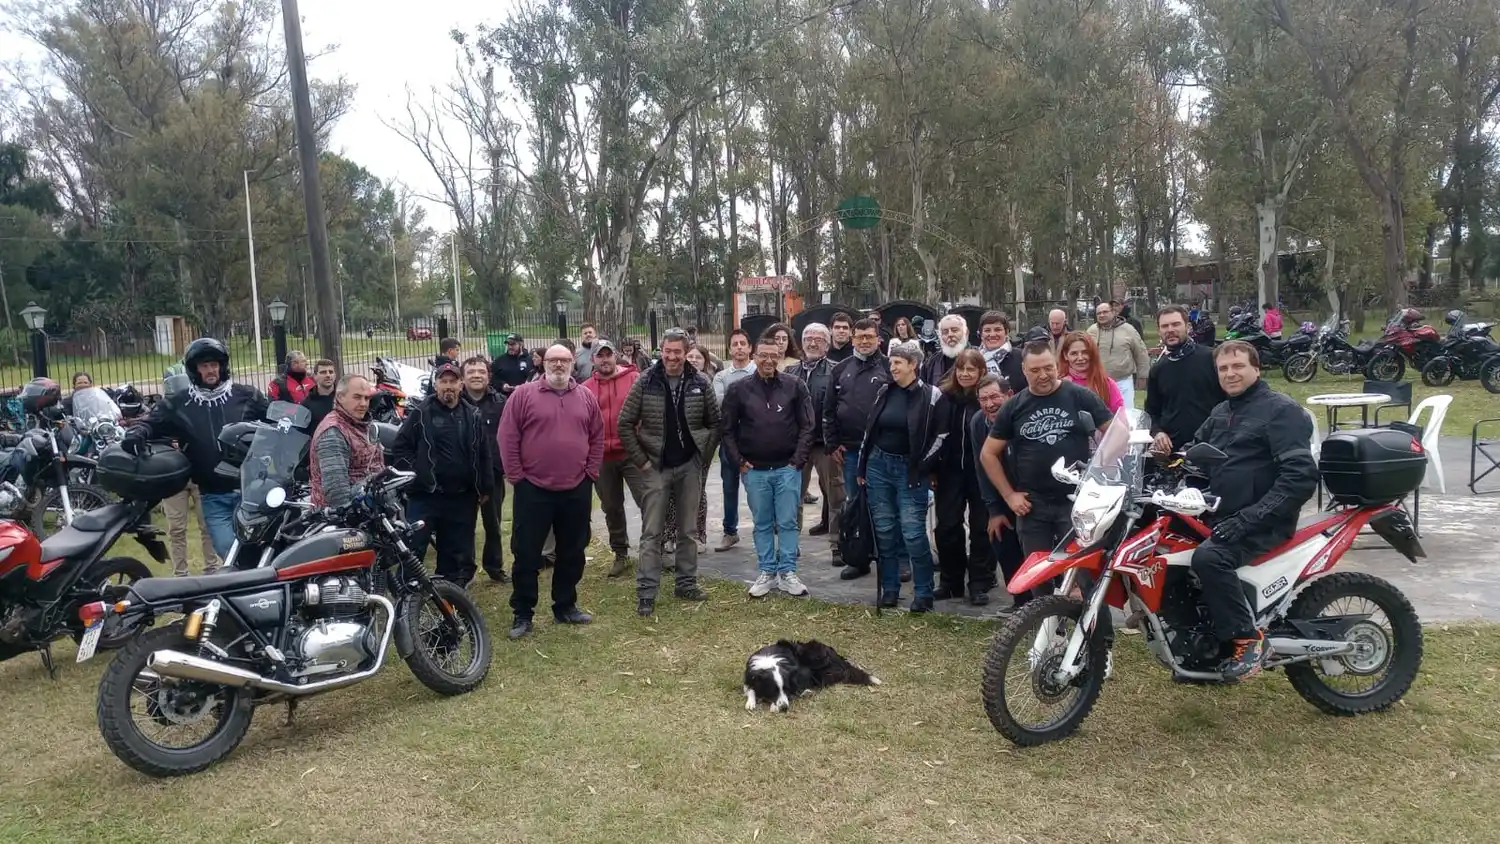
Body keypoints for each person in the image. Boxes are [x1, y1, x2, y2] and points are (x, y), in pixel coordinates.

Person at [1190, 340, 1319, 680]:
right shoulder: (1223, 412)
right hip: (1221, 513)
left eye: (1238, 367)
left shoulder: (1281, 411)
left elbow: (1300, 478)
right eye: (1223, 369)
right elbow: (1193, 454)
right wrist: (1159, 462)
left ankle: (1247, 638)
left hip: (1263, 520)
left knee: (1209, 558)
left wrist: (1248, 518)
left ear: (1256, 369)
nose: (1230, 374)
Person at [980, 342, 1112, 593]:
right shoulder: (1014, 405)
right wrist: (1009, 495)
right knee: (1038, 577)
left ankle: (1098, 633)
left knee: (1086, 577)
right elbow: (988, 453)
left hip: (1077, 502)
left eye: (1049, 368)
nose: (1043, 375)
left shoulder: (1079, 395)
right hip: (1032, 505)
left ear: (1057, 365)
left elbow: (1116, 433)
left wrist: (1103, 475)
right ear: (1024, 370)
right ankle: (1047, 630)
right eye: (1035, 370)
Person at [122, 338, 267, 560]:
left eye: (214, 364)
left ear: (222, 366)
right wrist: (137, 431)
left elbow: (276, 418)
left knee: (262, 551)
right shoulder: (179, 403)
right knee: (229, 552)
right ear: (194, 369)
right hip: (213, 496)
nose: (211, 370)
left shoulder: (246, 395)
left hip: (252, 493)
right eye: (204, 365)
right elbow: (151, 421)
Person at [499, 344, 603, 639]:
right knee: (527, 553)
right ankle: (523, 612)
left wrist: (590, 473)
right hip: (534, 489)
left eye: (565, 361)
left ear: (573, 363)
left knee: (572, 550)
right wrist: (518, 476)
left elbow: (597, 436)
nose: (559, 365)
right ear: (543, 364)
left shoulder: (585, 396)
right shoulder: (523, 395)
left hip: (576, 488)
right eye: (553, 360)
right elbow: (507, 436)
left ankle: (565, 605)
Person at [618, 328, 721, 616]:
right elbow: (625, 423)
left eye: (678, 351)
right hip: (655, 466)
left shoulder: (700, 381)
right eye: (668, 351)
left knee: (688, 531)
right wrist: (642, 461)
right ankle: (647, 592)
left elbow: (715, 423)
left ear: (687, 352)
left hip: (689, 466)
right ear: (661, 350)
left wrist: (703, 459)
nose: (672, 356)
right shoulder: (645, 382)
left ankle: (686, 583)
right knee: (652, 532)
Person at [720, 335, 814, 598]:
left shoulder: (795, 386)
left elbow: (808, 425)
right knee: (761, 523)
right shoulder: (738, 390)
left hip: (787, 469)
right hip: (755, 470)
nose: (769, 360)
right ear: (754, 356)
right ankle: (767, 572)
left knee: (787, 522)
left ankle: (788, 572)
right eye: (763, 355)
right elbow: (727, 429)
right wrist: (739, 460)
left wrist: (798, 460)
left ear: (780, 357)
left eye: (774, 355)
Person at [857, 341, 945, 611]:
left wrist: (921, 466)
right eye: (891, 362)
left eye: (897, 363)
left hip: (910, 470)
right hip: (879, 466)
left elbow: (941, 437)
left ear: (913, 365)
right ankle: (890, 589)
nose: (892, 367)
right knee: (884, 531)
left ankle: (923, 592)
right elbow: (870, 430)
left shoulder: (932, 395)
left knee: (912, 533)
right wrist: (862, 467)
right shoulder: (884, 391)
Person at [390, 362, 493, 587]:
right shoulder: (421, 412)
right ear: (435, 384)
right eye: (443, 381)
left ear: (461, 385)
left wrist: (485, 486)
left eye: (453, 381)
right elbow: (400, 446)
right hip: (426, 495)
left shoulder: (472, 414)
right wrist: (415, 473)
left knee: (456, 548)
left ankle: (450, 591)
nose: (448, 386)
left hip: (462, 497)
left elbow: (483, 452)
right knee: (415, 545)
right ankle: (405, 589)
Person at [823, 317, 892, 581]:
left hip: (883, 451)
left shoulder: (890, 367)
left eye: (869, 337)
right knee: (855, 507)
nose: (864, 341)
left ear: (878, 340)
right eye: (860, 337)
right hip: (850, 452)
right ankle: (859, 559)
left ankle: (894, 559)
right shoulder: (840, 369)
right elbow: (828, 410)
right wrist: (831, 443)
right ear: (852, 339)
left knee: (885, 507)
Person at [933, 348, 992, 605]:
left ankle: (980, 581)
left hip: (981, 474)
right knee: (947, 526)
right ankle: (950, 581)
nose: (966, 374)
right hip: (949, 472)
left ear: (981, 372)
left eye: (971, 369)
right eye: (961, 369)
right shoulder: (944, 398)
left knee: (981, 528)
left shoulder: (988, 398)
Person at [582, 340, 645, 577]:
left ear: (615, 356)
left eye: (609, 355)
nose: (605, 359)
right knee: (611, 507)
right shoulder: (585, 388)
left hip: (632, 452)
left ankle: (655, 550)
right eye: (600, 356)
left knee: (648, 502)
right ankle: (620, 553)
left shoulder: (634, 379)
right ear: (593, 360)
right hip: (601, 456)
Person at [969, 374, 1024, 611]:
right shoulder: (978, 423)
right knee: (1002, 540)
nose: (989, 404)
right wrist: (994, 510)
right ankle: (1021, 601)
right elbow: (982, 468)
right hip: (1001, 494)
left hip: (1029, 493)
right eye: (983, 399)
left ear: (1009, 395)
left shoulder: (1022, 417)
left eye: (994, 397)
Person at [788, 323, 841, 561]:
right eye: (808, 338)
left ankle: (838, 544)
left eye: (818, 339)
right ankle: (790, 544)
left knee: (836, 495)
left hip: (825, 444)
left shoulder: (836, 371)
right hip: (796, 445)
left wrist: (837, 441)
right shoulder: (789, 371)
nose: (812, 342)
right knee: (792, 496)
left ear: (827, 345)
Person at [1146, 305, 1226, 458]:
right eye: (1165, 326)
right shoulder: (1158, 368)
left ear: (1188, 327)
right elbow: (1152, 411)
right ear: (1159, 331)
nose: (1170, 329)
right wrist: (1158, 432)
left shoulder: (1212, 359)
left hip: (1212, 447)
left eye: (1176, 324)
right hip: (1173, 450)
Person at [460, 356, 511, 584]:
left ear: (488, 375)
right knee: (464, 525)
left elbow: (510, 437)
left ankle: (494, 566)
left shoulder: (501, 403)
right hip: (462, 477)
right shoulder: (453, 403)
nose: (476, 376)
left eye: (481, 371)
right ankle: (465, 569)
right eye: (471, 372)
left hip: (492, 475)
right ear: (463, 378)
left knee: (493, 524)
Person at [664, 345, 717, 551]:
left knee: (697, 494)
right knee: (671, 494)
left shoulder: (704, 383)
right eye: (690, 356)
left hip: (698, 449)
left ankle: (698, 535)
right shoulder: (670, 380)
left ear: (706, 362)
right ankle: (670, 535)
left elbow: (714, 420)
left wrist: (706, 449)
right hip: (672, 449)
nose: (693, 359)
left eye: (698, 357)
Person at [309, 374, 384, 510]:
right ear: (340, 397)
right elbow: (337, 495)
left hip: (371, 509)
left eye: (366, 398)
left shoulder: (362, 424)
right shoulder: (333, 432)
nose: (363, 404)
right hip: (343, 520)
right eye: (357, 397)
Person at [711, 329, 756, 551]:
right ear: (730, 349)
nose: (739, 347)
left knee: (755, 488)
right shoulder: (721, 376)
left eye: (742, 343)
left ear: (750, 347)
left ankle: (764, 529)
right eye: (735, 344)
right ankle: (730, 531)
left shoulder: (759, 370)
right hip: (729, 440)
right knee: (729, 488)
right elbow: (719, 404)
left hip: (754, 441)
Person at [1085, 301, 1150, 408]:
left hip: (1123, 381)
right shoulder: (1091, 331)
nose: (1102, 315)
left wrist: (1142, 376)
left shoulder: (1128, 330)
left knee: (1125, 415)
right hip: (1098, 382)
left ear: (1114, 312)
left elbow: (1141, 353)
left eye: (1105, 312)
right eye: (1099, 313)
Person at [1061, 332, 1125, 414]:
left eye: (1085, 352)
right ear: (1066, 355)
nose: (1080, 358)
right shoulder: (1059, 384)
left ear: (1092, 354)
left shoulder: (1106, 383)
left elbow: (1120, 417)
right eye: (1074, 353)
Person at [977, 310, 1023, 392]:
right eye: (987, 330)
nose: (992, 334)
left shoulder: (1021, 357)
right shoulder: (974, 359)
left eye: (997, 330)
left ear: (1006, 332)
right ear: (981, 334)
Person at [921, 313, 969, 385]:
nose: (950, 335)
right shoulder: (931, 362)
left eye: (955, 330)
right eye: (945, 332)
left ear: (966, 333)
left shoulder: (978, 356)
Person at [302, 358, 337, 430]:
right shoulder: (306, 404)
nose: (328, 375)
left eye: (331, 372)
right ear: (315, 376)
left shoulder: (344, 398)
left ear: (335, 375)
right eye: (323, 372)